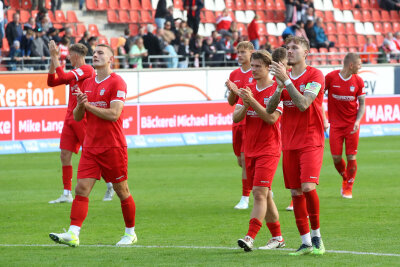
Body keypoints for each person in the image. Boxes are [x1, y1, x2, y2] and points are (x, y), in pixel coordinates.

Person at [49, 44, 137, 247]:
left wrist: (87, 105)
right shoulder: (87, 83)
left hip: (112, 147)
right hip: (91, 147)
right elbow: (79, 116)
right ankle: (73, 233)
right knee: (81, 189)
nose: (95, 55)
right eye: (94, 53)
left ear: (110, 60)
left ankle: (130, 233)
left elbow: (114, 114)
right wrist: (81, 104)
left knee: (122, 190)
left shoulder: (117, 82)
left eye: (100, 53)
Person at [267, 36, 326, 255]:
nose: (289, 51)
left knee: (308, 187)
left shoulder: (315, 75)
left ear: (306, 52)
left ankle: (317, 237)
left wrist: (287, 82)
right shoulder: (285, 77)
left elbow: (303, 104)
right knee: (295, 192)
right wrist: (278, 87)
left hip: (311, 140)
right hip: (289, 142)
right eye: (287, 48)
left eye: (294, 48)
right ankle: (305, 243)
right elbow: (271, 108)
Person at [230, 50, 285, 252]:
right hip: (250, 149)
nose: (252, 70)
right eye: (251, 66)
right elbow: (236, 117)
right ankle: (277, 237)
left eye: (257, 66)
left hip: (269, 149)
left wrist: (251, 101)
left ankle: (250, 237)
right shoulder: (248, 88)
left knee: (259, 193)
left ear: (268, 67)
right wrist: (245, 104)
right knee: (266, 194)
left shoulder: (277, 90)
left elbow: (271, 119)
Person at [47, 40, 115, 204]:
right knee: (64, 154)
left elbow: (61, 75)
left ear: (75, 55)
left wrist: (55, 57)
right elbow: (51, 82)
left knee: (92, 153)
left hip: (82, 118)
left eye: (69, 55)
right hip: (70, 118)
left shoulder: (85, 70)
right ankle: (66, 193)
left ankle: (111, 184)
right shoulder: (74, 73)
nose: (68, 58)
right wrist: (52, 59)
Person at [325, 53, 365, 199]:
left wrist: (358, 121)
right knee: (336, 158)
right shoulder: (331, 77)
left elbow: (362, 104)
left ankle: (348, 187)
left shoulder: (358, 81)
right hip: (335, 125)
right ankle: (345, 177)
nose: (361, 67)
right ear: (351, 65)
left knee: (351, 156)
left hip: (351, 126)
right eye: (359, 64)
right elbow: (317, 95)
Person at [225, 41, 254, 209]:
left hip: (250, 120)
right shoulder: (234, 73)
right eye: (238, 52)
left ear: (251, 52)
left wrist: (237, 91)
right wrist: (231, 90)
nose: (240, 55)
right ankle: (262, 185)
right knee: (241, 161)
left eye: (243, 52)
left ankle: (245, 197)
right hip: (237, 120)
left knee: (246, 158)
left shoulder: (257, 72)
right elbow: (231, 102)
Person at [271, 46, 294, 212]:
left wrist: (324, 119)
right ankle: (266, 191)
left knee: (297, 165)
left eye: (283, 64)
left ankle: (295, 199)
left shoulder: (295, 76)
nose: (280, 67)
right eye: (277, 64)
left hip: (296, 127)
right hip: (281, 128)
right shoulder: (272, 80)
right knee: (288, 165)